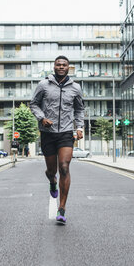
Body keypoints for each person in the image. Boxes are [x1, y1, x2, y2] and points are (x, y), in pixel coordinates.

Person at [30, 55, 84, 224]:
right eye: (58, 64)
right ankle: (52, 181)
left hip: (66, 132)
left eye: (64, 65)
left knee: (65, 167)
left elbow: (79, 109)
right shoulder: (43, 85)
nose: (61, 67)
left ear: (69, 68)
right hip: (48, 132)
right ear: (54, 67)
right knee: (51, 171)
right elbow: (33, 104)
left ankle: (62, 209)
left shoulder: (75, 88)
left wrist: (79, 127)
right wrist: (41, 118)